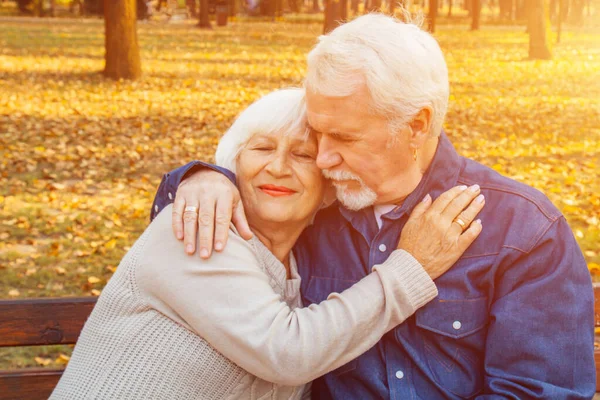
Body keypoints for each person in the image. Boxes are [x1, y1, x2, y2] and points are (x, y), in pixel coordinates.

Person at [153, 13, 596, 399]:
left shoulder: (521, 231)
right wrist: (202, 177)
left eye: (344, 138)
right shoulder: (311, 209)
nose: (323, 158)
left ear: (416, 125)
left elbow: (540, 393)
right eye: (317, 134)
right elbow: (213, 211)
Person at [50, 89, 483, 400]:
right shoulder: (199, 230)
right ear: (233, 165)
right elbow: (289, 352)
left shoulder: (302, 266)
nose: (277, 167)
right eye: (261, 148)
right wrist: (411, 268)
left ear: (329, 182)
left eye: (300, 155)